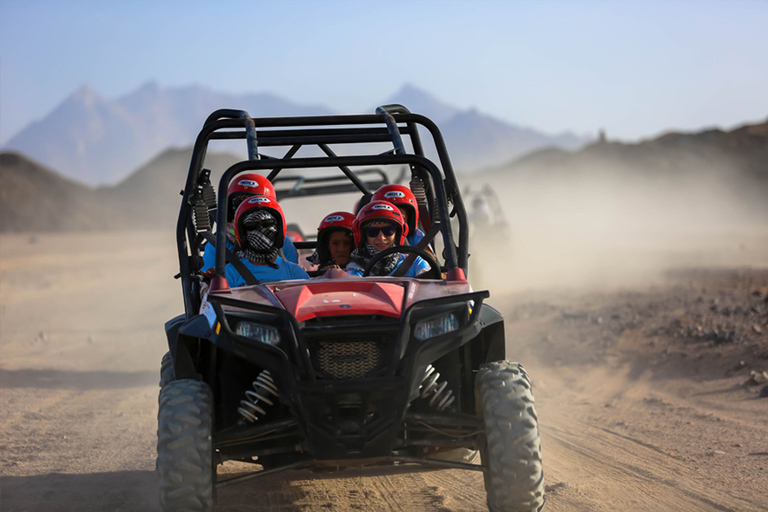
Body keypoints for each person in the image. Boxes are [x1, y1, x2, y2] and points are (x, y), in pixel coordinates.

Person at [202, 173, 298, 269]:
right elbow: (208, 281)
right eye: (238, 202)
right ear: (230, 208)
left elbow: (294, 278)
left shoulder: (283, 243)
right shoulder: (218, 244)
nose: (245, 207)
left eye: (253, 202)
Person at [223, 195, 309, 287]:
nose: (260, 230)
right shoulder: (230, 273)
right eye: (251, 226)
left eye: (267, 224)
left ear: (278, 229)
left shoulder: (295, 273)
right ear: (243, 233)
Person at [345, 200, 431, 278]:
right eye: (373, 231)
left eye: (388, 231)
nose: (381, 238)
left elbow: (430, 287)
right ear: (363, 235)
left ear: (397, 233)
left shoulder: (414, 262)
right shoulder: (357, 269)